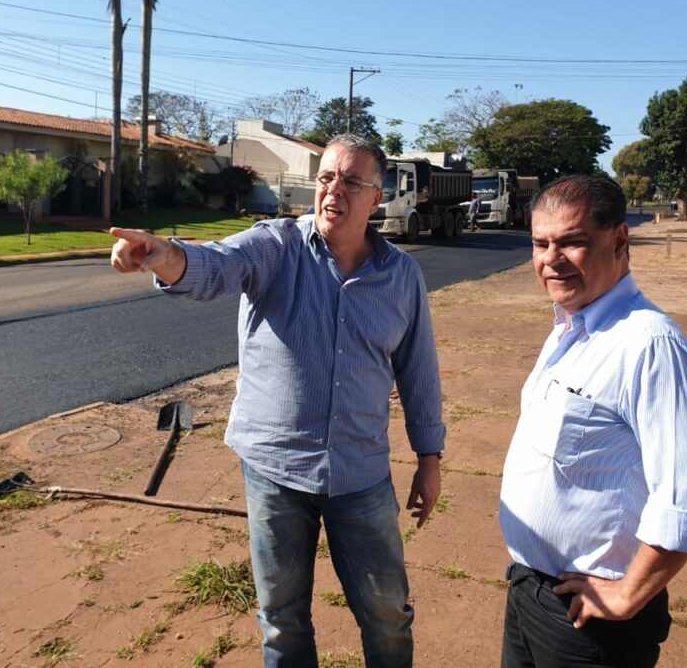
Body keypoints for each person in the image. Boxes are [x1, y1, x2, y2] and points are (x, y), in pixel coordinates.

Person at [109, 133, 445, 668]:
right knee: (281, 620)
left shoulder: (401, 276)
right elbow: (215, 265)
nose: (334, 190)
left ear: (376, 198)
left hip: (360, 474)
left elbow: (418, 372)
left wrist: (429, 459)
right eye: (327, 177)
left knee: (387, 615)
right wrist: (162, 255)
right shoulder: (276, 245)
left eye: (352, 181)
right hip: (275, 469)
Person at [498, 174, 687, 668]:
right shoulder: (567, 327)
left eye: (572, 242)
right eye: (540, 243)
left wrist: (627, 594)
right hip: (530, 592)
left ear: (619, 240)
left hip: (593, 624)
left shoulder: (649, 345)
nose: (550, 260)